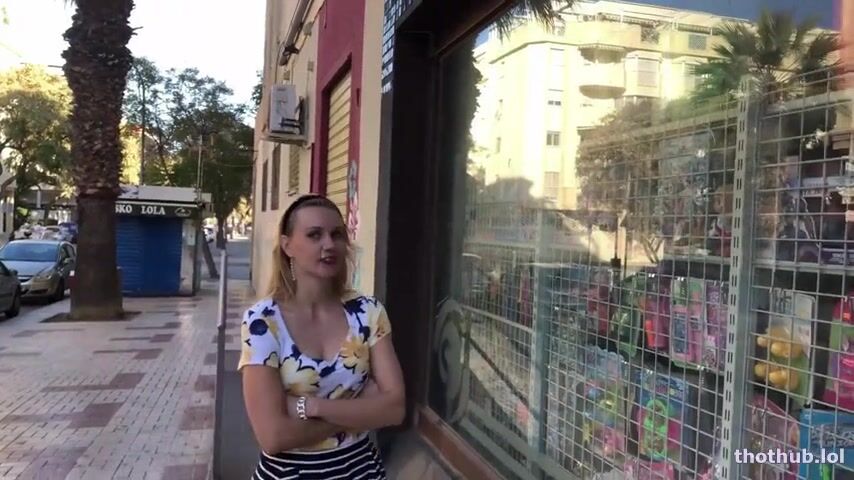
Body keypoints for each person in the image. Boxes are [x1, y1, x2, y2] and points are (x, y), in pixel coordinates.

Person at [238, 194, 405, 479]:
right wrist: (361, 410)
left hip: (361, 470)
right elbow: (273, 436)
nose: (329, 244)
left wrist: (310, 407)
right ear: (287, 245)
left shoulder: (367, 312)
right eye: (314, 235)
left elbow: (394, 409)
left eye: (337, 234)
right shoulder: (263, 322)